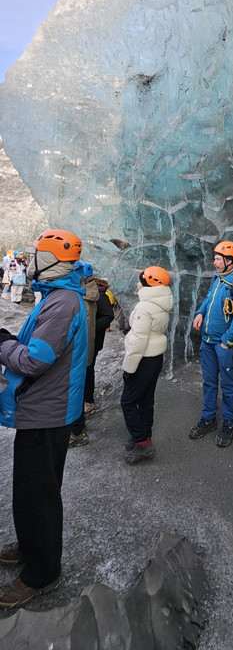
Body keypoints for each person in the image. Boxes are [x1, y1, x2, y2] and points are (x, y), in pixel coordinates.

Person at [0, 229, 88, 609]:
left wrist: (2, 343)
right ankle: (28, 545)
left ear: (50, 260)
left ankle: (42, 574)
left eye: (36, 254)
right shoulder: (58, 296)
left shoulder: (64, 302)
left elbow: (35, 359)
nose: (30, 261)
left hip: (47, 414)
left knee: (40, 495)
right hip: (44, 409)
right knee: (30, 489)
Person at [189, 241, 233, 448]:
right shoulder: (219, 277)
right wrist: (200, 312)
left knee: (227, 384)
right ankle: (208, 418)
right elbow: (210, 298)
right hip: (208, 340)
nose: (214, 263)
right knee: (209, 382)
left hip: (224, 343)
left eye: (218, 259)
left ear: (229, 261)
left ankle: (229, 422)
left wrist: (227, 342)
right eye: (215, 258)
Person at [121, 266, 173, 464]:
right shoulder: (160, 305)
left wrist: (129, 369)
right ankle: (144, 435)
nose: (137, 283)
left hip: (142, 359)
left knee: (127, 401)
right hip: (155, 358)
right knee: (145, 399)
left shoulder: (144, 307)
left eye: (141, 280)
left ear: (150, 283)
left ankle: (142, 443)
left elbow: (138, 342)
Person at [69, 276, 113, 447]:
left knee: (87, 371)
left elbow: (108, 316)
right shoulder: (83, 294)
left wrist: (91, 326)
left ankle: (88, 402)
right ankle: (87, 403)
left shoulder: (100, 296)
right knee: (86, 372)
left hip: (92, 340)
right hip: (87, 340)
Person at [68, 262, 99, 448]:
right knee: (77, 386)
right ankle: (76, 427)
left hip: (78, 352)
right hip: (84, 351)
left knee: (75, 388)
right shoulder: (87, 295)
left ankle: (76, 431)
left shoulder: (83, 300)